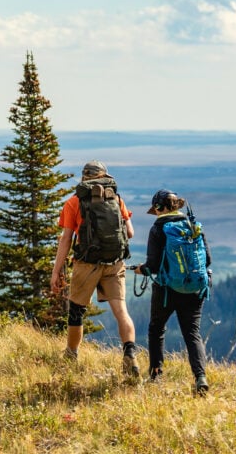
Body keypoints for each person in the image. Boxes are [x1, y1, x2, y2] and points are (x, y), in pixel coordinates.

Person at [50, 160, 139, 376]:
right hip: (114, 262)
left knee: (76, 311)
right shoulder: (116, 199)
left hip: (86, 264)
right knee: (121, 311)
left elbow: (66, 240)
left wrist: (56, 270)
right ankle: (130, 354)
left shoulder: (74, 202)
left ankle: (71, 355)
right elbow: (129, 233)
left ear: (84, 177)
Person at [135, 189, 211, 394]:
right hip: (194, 288)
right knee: (192, 333)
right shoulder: (192, 225)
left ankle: (156, 374)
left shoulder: (158, 229)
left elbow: (153, 266)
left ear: (159, 207)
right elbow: (208, 260)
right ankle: (200, 377)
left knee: (156, 329)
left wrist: (141, 269)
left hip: (166, 290)